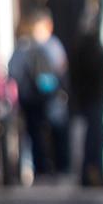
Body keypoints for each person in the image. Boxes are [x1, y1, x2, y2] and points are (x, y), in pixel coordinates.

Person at [9, 10, 69, 179]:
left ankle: (43, 167)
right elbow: (61, 70)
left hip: (34, 97)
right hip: (44, 96)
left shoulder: (30, 46)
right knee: (46, 132)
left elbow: (13, 71)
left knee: (38, 133)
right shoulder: (48, 47)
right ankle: (55, 167)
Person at [69, 12, 103, 188]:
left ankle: (95, 173)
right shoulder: (88, 48)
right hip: (92, 98)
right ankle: (91, 174)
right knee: (94, 137)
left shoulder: (89, 47)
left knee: (98, 136)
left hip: (95, 98)